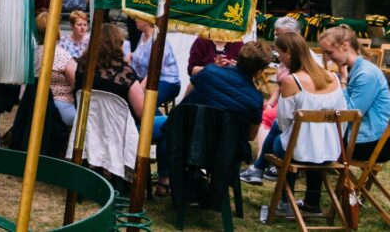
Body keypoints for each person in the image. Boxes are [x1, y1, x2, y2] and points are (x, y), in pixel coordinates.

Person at [244, 33, 345, 216]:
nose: (278, 58)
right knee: (310, 144)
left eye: (279, 53)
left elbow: (283, 123)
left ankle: (285, 202)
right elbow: (342, 117)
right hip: (330, 150)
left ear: (288, 53)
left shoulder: (292, 81)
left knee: (287, 143)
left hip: (298, 152)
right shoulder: (334, 78)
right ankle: (312, 203)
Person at [154, 41, 271, 196]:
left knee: (159, 126)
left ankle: (164, 179)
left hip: (185, 139)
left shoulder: (209, 72)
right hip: (223, 152)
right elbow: (250, 135)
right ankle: (174, 180)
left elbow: (187, 98)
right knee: (166, 126)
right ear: (258, 71)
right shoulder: (255, 99)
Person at [242, 16, 307, 184]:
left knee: (272, 119)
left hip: (299, 110)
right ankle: (260, 165)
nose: (277, 38)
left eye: (280, 35)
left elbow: (285, 118)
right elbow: (280, 86)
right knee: (270, 113)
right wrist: (271, 99)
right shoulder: (290, 58)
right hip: (294, 107)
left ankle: (261, 164)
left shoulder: (301, 60)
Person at [320, 25, 390, 163]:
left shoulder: (366, 74)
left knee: (314, 142)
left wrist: (343, 82)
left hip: (370, 142)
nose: (328, 59)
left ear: (345, 45)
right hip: (358, 136)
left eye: (330, 53)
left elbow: (350, 114)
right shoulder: (355, 69)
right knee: (311, 137)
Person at [74, 23, 144, 120]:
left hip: (88, 127)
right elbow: (142, 113)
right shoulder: (125, 74)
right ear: (118, 44)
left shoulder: (82, 68)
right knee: (164, 123)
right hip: (120, 130)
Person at [34, 11, 77, 126]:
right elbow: (77, 83)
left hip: (33, 106)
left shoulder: (32, 54)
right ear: (55, 28)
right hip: (60, 108)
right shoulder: (61, 55)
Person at [127, 17, 182, 105]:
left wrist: (139, 91)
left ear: (147, 20)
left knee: (144, 103)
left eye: (138, 17)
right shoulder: (143, 36)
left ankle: (159, 118)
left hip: (167, 81)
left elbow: (154, 71)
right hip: (146, 79)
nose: (135, 19)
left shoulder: (158, 39)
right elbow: (137, 59)